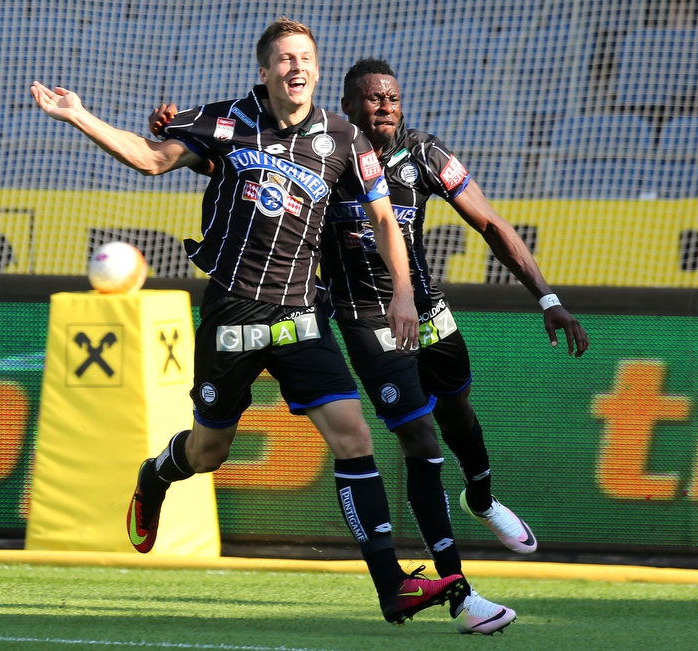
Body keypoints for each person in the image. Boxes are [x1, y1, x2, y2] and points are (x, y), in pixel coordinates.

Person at [31, 18, 475, 629]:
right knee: (209, 451)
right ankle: (157, 473)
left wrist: (403, 293)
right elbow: (151, 159)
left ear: (316, 71)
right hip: (233, 312)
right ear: (264, 72)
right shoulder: (225, 121)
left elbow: (383, 220)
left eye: (307, 58)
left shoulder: (344, 138)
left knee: (355, 437)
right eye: (285, 59)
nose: (298, 67)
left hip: (299, 312)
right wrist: (80, 115)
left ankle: (391, 586)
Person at [150, 58, 589, 635]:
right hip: (361, 318)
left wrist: (546, 297)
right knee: (418, 436)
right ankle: (458, 592)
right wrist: (176, 128)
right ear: (349, 108)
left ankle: (482, 499)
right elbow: (226, 161)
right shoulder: (323, 154)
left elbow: (491, 224)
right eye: (373, 100)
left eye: (393, 99)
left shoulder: (425, 154)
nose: (385, 108)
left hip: (425, 308)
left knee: (458, 411)